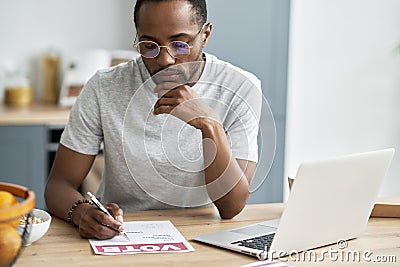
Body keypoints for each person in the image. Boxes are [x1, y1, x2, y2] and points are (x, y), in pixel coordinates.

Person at [45, 0, 262, 240]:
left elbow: (231, 208)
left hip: (201, 235)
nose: (164, 60)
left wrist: (209, 125)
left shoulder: (241, 87)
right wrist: (82, 212)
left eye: (179, 44)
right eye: (149, 45)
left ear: (206, 34)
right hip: (119, 233)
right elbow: (58, 185)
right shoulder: (104, 87)